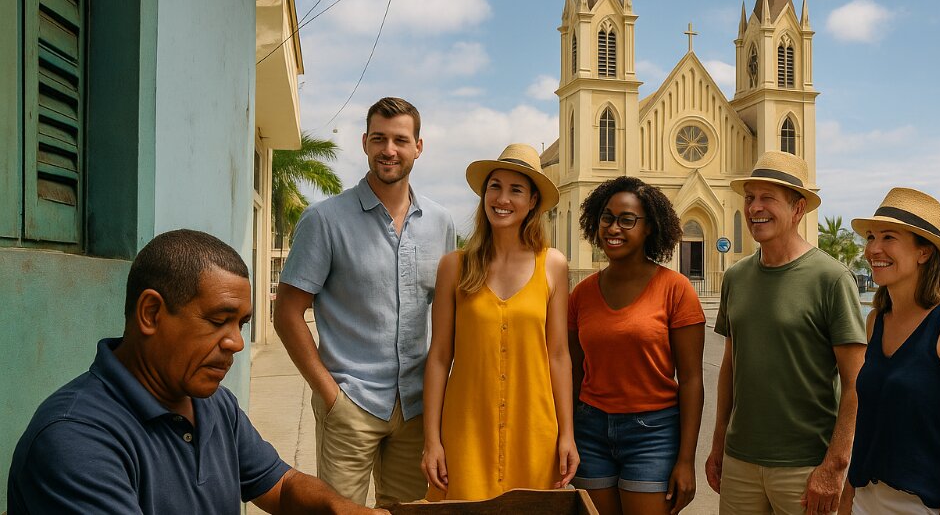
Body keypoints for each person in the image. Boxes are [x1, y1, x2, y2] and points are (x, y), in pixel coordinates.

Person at [6, 229, 386, 515]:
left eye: (241, 325)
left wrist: (340, 508)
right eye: (219, 321)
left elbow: (281, 485)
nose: (236, 343)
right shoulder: (75, 441)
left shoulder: (214, 404)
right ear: (151, 313)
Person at [275, 97, 456, 506]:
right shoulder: (325, 220)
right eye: (379, 139)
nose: (388, 150)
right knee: (342, 514)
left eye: (400, 140)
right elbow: (286, 313)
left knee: (407, 512)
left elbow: (446, 313)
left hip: (416, 408)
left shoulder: (441, 223)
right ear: (365, 143)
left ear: (418, 147)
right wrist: (328, 394)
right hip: (350, 403)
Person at [705, 151, 868, 515]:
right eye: (749, 198)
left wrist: (835, 466)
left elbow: (857, 382)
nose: (754, 208)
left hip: (805, 466)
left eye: (767, 198)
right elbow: (731, 367)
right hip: (740, 462)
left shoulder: (832, 279)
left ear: (798, 210)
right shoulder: (736, 277)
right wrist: (718, 447)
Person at [421, 143, 578, 501]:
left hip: (535, 429)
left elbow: (558, 355)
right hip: (466, 430)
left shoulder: (552, 265)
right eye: (495, 186)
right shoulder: (454, 267)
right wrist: (432, 440)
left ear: (533, 201)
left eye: (516, 189)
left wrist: (566, 434)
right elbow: (439, 357)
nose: (502, 198)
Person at [843, 188, 940, 514]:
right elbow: (868, 426)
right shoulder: (876, 320)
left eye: (889, 238)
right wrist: (847, 501)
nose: (873, 249)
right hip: (866, 502)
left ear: (924, 252)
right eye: (871, 237)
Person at [569, 177, 706, 515]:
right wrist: (566, 436)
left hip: (654, 434)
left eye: (627, 220)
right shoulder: (581, 294)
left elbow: (690, 380)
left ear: (650, 228)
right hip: (590, 431)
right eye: (607, 217)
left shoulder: (676, 289)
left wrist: (686, 460)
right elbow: (572, 372)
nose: (613, 227)